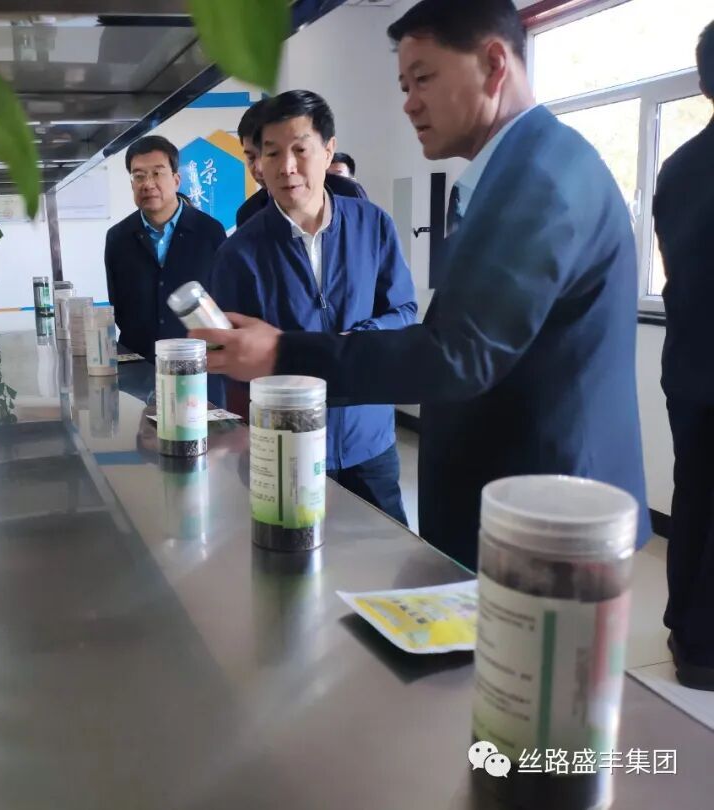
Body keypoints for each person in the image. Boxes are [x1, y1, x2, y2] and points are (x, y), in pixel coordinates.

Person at [192, 0, 651, 570]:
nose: (409, 103)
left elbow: (457, 354)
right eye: (404, 85)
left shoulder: (538, 180)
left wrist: (284, 352)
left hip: (545, 514)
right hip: (508, 500)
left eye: (424, 79)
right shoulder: (513, 173)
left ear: (493, 64)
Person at [212, 90, 417, 525]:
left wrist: (353, 342)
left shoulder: (372, 224)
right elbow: (230, 356)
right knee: (294, 555)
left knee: (386, 549)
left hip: (369, 438)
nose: (286, 167)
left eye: (300, 150)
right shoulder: (238, 253)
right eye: (272, 153)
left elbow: (403, 309)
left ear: (327, 151)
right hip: (288, 445)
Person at [654, 19, 714, 690]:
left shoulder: (677, 168)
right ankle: (704, 651)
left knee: (692, 493)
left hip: (688, 361)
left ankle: (684, 630)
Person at [105, 135, 228, 404]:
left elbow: (224, 301)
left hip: (200, 373)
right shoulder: (118, 238)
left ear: (176, 179)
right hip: (139, 379)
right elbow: (119, 307)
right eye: (139, 176)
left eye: (157, 173)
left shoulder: (210, 233)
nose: (148, 184)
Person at [236, 105, 367, 228]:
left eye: (271, 153)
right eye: (251, 157)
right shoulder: (248, 213)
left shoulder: (347, 192)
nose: (259, 168)